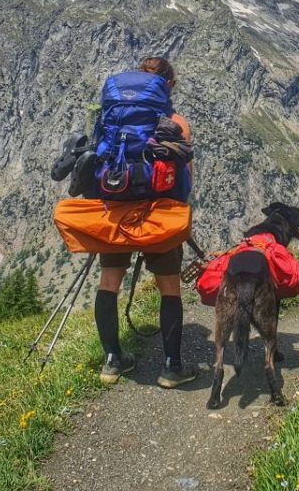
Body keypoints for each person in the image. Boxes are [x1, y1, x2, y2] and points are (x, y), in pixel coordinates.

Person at [94, 56, 197, 388]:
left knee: (109, 280)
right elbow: (187, 178)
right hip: (159, 213)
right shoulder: (176, 123)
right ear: (167, 86)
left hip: (117, 206)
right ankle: (171, 366)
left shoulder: (112, 118)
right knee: (169, 286)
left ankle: (112, 361)